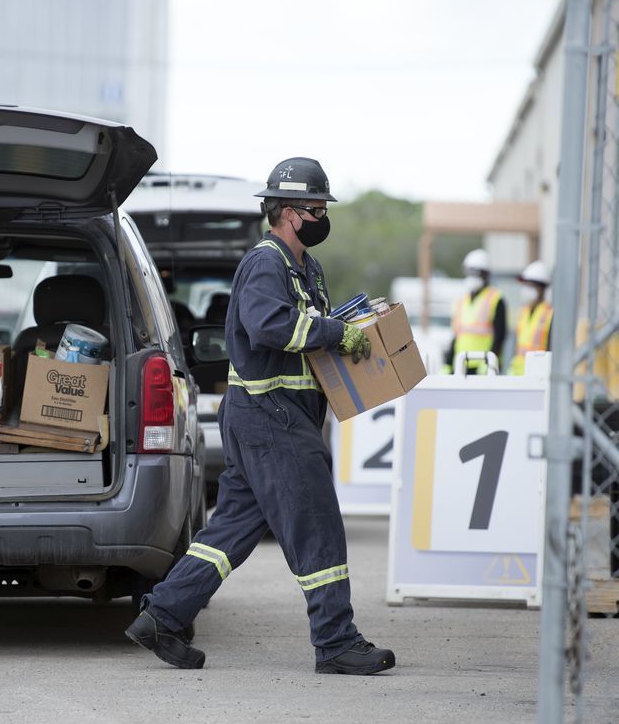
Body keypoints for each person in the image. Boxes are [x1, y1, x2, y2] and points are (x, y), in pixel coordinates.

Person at [125, 157, 395, 676]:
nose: (322, 216)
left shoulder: (302, 268)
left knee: (230, 531)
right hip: (274, 420)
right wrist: (335, 334)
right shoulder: (266, 262)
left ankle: (162, 615)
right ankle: (336, 642)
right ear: (290, 213)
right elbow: (270, 325)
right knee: (316, 527)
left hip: (268, 417)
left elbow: (303, 326)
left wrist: (349, 325)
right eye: (317, 208)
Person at [445, 248, 507, 374]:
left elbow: (500, 336)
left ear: (486, 274)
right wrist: (447, 363)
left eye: (478, 272)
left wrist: (490, 363)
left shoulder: (495, 298)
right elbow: (456, 335)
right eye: (470, 272)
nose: (473, 276)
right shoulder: (462, 301)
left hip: (483, 365)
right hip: (460, 364)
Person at [509, 260, 553, 375]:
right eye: (525, 285)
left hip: (538, 374)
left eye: (531, 286)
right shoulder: (523, 312)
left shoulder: (550, 314)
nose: (526, 290)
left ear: (542, 288)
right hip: (518, 373)